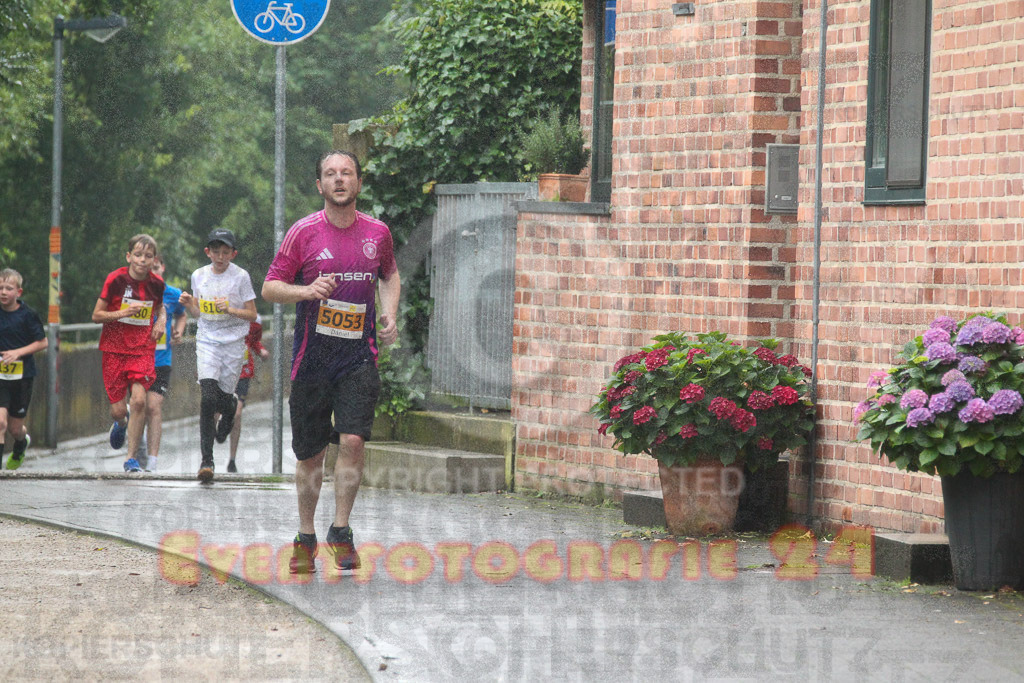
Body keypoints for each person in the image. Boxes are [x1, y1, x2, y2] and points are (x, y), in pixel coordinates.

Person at [263, 150, 400, 573]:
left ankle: (340, 529)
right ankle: (306, 536)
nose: (339, 180)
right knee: (311, 456)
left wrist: (389, 311)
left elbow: (389, 275)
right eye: (330, 174)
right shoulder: (303, 233)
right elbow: (270, 288)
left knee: (354, 441)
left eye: (347, 173)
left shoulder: (377, 233)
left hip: (359, 356)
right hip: (313, 359)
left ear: (358, 183)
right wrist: (305, 292)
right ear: (319, 185)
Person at [179, 228, 257, 483]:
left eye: (225, 253)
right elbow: (198, 313)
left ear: (233, 254)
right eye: (216, 252)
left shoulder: (241, 277)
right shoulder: (199, 276)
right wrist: (189, 303)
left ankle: (231, 407)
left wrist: (231, 309)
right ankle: (207, 462)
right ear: (207, 252)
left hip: (233, 344)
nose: (220, 257)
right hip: (208, 341)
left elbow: (252, 314)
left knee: (223, 397)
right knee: (207, 397)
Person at [92, 234, 166, 473]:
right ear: (128, 256)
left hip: (142, 349)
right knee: (119, 410)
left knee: (139, 401)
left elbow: (161, 306)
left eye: (148, 256)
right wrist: (123, 313)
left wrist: (161, 322)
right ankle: (120, 423)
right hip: (114, 349)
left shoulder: (156, 284)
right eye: (138, 255)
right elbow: (96, 316)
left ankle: (131, 458)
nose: (142, 260)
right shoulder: (115, 280)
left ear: (154, 259)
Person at [137, 253, 187, 472]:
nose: (154, 272)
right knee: (138, 405)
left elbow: (182, 314)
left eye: (157, 268)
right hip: (137, 359)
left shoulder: (172, 293)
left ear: (163, 268)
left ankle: (153, 461)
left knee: (153, 406)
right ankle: (135, 447)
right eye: (150, 268)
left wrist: (179, 332)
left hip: (161, 360)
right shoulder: (137, 291)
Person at [0, 268, 48, 470]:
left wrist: (17, 353)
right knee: (0, 423)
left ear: (18, 292)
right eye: (0, 287)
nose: (3, 292)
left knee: (14, 428)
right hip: (1, 377)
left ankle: (21, 443)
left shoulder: (28, 315)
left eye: (8, 288)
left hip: (22, 377)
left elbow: (42, 342)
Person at [225, 316, 270, 474]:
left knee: (237, 415)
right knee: (217, 413)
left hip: (243, 374)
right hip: (222, 372)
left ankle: (232, 459)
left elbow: (253, 341)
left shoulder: (254, 320)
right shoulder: (224, 314)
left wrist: (261, 351)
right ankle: (208, 455)